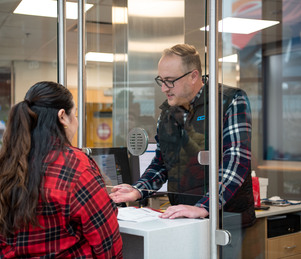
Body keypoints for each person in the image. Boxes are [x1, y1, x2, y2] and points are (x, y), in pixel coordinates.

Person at [110, 44, 256, 228]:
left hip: (227, 220)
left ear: (194, 76)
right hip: (185, 217)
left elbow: (235, 161)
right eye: (161, 80)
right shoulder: (167, 114)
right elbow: (161, 164)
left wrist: (205, 206)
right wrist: (138, 190)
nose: (164, 88)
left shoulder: (229, 100)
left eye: (170, 80)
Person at [0, 81, 123, 258]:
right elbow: (107, 242)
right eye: (76, 114)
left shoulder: (7, 162)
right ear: (62, 116)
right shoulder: (77, 166)